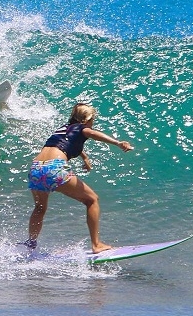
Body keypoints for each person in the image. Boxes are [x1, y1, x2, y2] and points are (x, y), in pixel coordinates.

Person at [24, 103, 134, 253]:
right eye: (93, 119)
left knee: (40, 207)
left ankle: (31, 244)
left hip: (36, 168)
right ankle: (96, 244)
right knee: (92, 200)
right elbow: (91, 133)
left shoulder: (62, 129)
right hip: (55, 168)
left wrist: (85, 157)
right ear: (87, 119)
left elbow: (64, 144)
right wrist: (117, 143)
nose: (93, 123)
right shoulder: (83, 128)